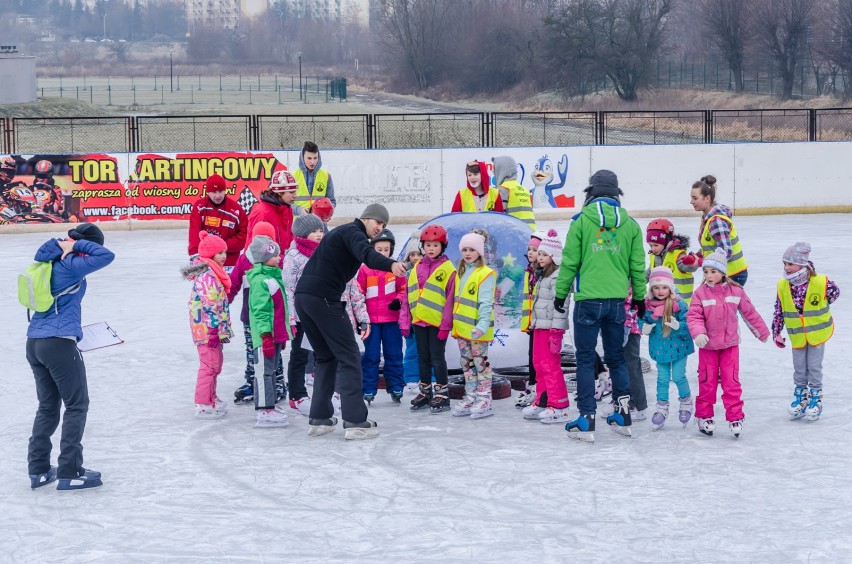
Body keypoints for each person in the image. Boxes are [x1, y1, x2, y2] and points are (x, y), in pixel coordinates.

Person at [295, 203, 407, 440]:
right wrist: (391, 264)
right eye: (378, 222)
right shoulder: (353, 233)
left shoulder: (343, 234)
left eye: (384, 225)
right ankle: (356, 420)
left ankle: (320, 418)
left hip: (305, 298)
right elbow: (367, 255)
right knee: (350, 356)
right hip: (324, 299)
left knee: (326, 356)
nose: (380, 227)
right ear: (366, 218)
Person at [554, 170, 646, 443]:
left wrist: (560, 294)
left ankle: (586, 419)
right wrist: (639, 298)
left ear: (590, 193)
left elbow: (570, 262)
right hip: (617, 302)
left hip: (588, 302)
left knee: (584, 359)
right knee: (616, 357)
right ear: (616, 194)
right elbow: (637, 267)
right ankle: (623, 415)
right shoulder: (630, 225)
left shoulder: (581, 222)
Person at [26, 223, 115, 490]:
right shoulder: (71, 264)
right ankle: (70, 471)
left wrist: (68, 244)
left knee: (48, 407)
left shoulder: (47, 261)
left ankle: (39, 469)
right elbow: (105, 256)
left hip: (35, 342)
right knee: (77, 405)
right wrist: (74, 246)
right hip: (58, 344)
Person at [686, 249, 769, 438]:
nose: (708, 275)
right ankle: (704, 416)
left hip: (730, 346)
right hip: (708, 347)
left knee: (731, 383)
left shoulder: (736, 291)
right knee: (707, 382)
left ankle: (735, 417)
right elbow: (694, 316)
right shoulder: (700, 293)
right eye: (705, 271)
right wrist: (698, 333)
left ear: (723, 272)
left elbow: (750, 313)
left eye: (713, 271)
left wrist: (761, 332)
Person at [772, 242, 839, 422]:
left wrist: (819, 306)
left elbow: (834, 293)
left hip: (817, 334)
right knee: (800, 368)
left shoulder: (820, 281)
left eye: (790, 264)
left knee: (814, 367)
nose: (786, 268)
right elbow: (779, 310)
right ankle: (801, 397)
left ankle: (815, 398)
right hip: (797, 335)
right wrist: (776, 332)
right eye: (784, 263)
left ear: (802, 264)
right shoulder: (783, 285)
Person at [401, 224, 457, 413]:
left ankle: (442, 393)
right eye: (427, 245)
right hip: (419, 322)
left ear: (443, 246)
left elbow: (450, 300)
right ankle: (425, 391)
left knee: (437, 358)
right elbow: (408, 296)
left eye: (435, 245)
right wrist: (405, 321)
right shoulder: (417, 267)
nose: (431, 249)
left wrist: (445, 325)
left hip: (437, 323)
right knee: (422, 357)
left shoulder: (449, 269)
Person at [228, 221, 282, 405]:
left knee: (273, 353)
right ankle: (252, 381)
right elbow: (233, 283)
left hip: (274, 317)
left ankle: (278, 382)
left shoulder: (275, 262)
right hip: (250, 318)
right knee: (254, 352)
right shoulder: (244, 260)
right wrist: (224, 301)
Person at [521, 229, 571, 423]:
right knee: (538, 363)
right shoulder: (541, 275)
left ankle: (559, 405)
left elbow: (562, 305)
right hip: (539, 326)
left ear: (554, 256)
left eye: (543, 254)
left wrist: (557, 332)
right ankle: (543, 400)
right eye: (538, 254)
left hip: (551, 328)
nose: (539, 258)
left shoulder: (558, 277)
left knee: (550, 366)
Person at [182, 231, 233, 417]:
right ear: (210, 255)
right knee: (209, 365)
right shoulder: (207, 276)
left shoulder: (213, 272)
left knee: (215, 364)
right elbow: (210, 304)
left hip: (212, 328)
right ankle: (203, 403)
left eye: (225, 252)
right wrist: (213, 330)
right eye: (220, 253)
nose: (224, 256)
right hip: (206, 330)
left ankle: (211, 396)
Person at [638, 267, 695, 430]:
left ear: (670, 287)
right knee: (662, 379)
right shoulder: (647, 305)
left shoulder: (678, 304)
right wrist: (644, 327)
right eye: (656, 287)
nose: (660, 291)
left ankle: (686, 402)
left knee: (678, 376)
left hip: (678, 348)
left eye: (664, 287)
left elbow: (691, 323)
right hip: (660, 349)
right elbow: (640, 319)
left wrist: (679, 325)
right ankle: (661, 408)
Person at [281, 213, 326, 416]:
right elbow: (288, 289)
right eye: (314, 231)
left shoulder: (324, 252)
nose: (319, 234)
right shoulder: (293, 257)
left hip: (320, 312)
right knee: (299, 355)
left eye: (320, 230)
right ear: (302, 233)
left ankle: (323, 392)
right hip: (300, 315)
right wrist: (291, 317)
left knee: (322, 354)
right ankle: (297, 395)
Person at [247, 235, 294, 427]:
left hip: (274, 335)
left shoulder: (273, 276)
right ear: (264, 257)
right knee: (263, 372)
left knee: (271, 370)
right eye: (275, 255)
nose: (279, 257)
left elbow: (279, 310)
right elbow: (261, 311)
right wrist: (265, 336)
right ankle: (264, 409)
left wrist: (280, 334)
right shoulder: (260, 281)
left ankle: (270, 404)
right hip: (264, 336)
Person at [450, 230, 497, 419]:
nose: (468, 253)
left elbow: (486, 303)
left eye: (472, 249)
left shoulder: (486, 274)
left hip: (478, 330)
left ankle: (484, 398)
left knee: (480, 364)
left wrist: (482, 326)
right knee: (466, 364)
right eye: (464, 249)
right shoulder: (461, 272)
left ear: (480, 251)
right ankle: (471, 396)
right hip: (462, 329)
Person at [357, 229, 406, 404]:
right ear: (372, 249)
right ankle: (368, 388)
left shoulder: (395, 268)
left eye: (386, 249)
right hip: (371, 322)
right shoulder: (365, 270)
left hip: (391, 320)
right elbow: (358, 294)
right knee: (371, 356)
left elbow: (403, 289)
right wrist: (360, 318)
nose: (383, 253)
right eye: (379, 249)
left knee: (393, 354)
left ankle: (396, 386)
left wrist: (398, 301)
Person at [690, 175, 748, 286]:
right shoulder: (707, 218)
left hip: (732, 275)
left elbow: (726, 252)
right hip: (721, 273)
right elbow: (711, 246)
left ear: (707, 199)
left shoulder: (716, 221)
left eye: (695, 198)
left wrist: (703, 262)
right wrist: (697, 255)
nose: (691, 201)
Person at [188, 173, 248, 268]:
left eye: (220, 191)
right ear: (207, 192)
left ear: (225, 190)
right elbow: (194, 234)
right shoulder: (200, 207)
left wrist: (222, 247)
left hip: (229, 264)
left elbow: (244, 236)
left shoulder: (236, 210)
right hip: (206, 263)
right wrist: (195, 255)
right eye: (214, 192)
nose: (218, 196)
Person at [516, 230, 546, 408]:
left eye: (535, 250)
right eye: (529, 249)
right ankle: (534, 384)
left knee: (539, 357)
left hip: (542, 321)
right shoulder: (529, 271)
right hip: (532, 322)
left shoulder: (542, 273)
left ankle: (537, 386)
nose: (530, 253)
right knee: (532, 355)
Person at [245, 169, 300, 258]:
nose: (295, 195)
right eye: (291, 192)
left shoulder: (286, 208)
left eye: (295, 191)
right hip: (263, 267)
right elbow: (258, 248)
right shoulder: (263, 213)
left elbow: (289, 238)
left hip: (279, 262)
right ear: (279, 192)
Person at [646, 218, 699, 305]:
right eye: (650, 245)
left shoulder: (678, 255)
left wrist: (692, 264)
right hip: (663, 304)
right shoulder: (654, 257)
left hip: (680, 304)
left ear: (667, 241)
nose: (653, 249)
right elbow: (648, 274)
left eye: (656, 245)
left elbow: (685, 266)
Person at [401, 230, 424, 393]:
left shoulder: (428, 272)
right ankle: (411, 379)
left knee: (428, 351)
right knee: (411, 350)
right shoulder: (404, 273)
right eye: (412, 254)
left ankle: (431, 378)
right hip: (410, 319)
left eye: (419, 254)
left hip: (426, 318)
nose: (415, 258)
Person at [492, 155, 536, 229]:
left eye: (495, 168)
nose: (493, 171)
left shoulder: (503, 189)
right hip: (530, 231)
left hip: (516, 232)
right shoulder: (523, 189)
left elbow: (499, 217)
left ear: (502, 170)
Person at [292, 141, 336, 214]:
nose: (313, 162)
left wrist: (327, 213)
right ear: (302, 158)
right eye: (309, 158)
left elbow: (332, 202)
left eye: (315, 158)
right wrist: (299, 210)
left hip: (319, 222)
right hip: (299, 223)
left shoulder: (326, 176)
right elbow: (286, 203)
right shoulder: (292, 176)